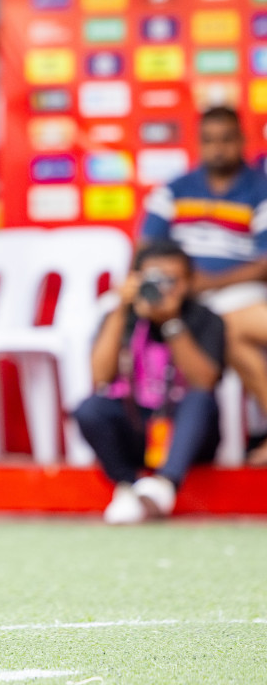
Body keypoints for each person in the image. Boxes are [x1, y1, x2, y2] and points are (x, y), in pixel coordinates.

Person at [139, 106, 267, 466]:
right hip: (182, 298)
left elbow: (264, 264)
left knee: (234, 331)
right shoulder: (175, 189)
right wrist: (180, 285)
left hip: (238, 292)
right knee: (233, 335)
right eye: (210, 141)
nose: (218, 149)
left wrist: (209, 283)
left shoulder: (259, 188)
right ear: (199, 143)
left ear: (241, 140)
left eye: (227, 140)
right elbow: (147, 251)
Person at [74, 241, 224, 524]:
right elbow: (99, 377)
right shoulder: (122, 316)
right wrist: (120, 309)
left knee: (199, 399)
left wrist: (171, 322)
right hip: (138, 423)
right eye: (154, 278)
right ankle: (129, 489)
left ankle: (164, 487)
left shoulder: (205, 318)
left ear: (190, 282)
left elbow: (204, 381)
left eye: (172, 280)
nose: (163, 288)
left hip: (186, 434)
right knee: (90, 408)